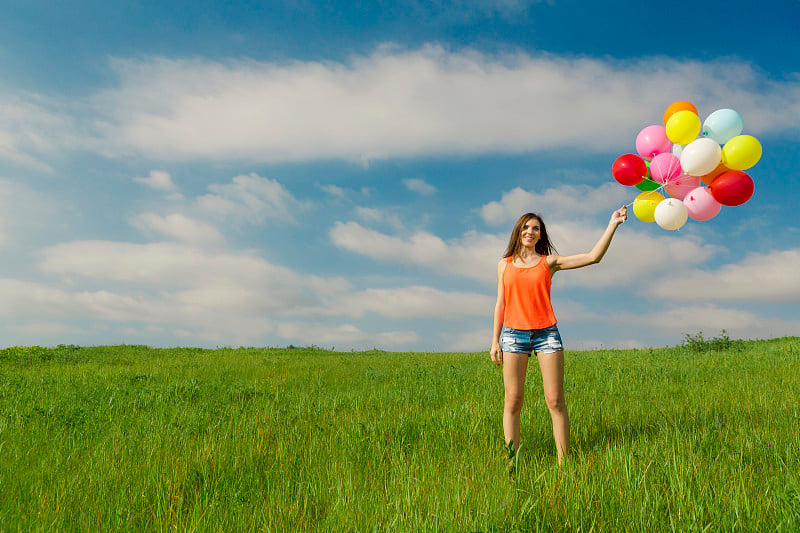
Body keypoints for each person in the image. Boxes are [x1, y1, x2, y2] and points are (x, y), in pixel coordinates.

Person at [490, 206, 628, 467]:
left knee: (555, 399)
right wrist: (494, 340)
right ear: (518, 231)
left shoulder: (549, 262)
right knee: (513, 400)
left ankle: (565, 465)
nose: (530, 231)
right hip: (512, 336)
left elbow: (593, 257)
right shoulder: (504, 265)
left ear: (541, 235)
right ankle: (512, 463)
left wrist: (613, 224)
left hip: (547, 335)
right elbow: (501, 303)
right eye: (526, 227)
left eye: (536, 228)